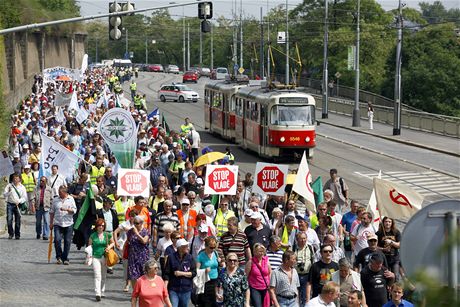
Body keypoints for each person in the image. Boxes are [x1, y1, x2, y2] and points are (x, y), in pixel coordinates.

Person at [88, 218, 115, 301]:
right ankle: (97, 293)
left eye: (102, 226)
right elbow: (89, 247)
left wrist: (109, 247)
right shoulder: (92, 236)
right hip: (95, 257)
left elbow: (113, 242)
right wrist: (89, 258)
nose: (101, 227)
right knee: (97, 275)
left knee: (103, 275)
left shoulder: (107, 235)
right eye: (99, 225)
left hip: (105, 257)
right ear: (96, 226)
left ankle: (102, 290)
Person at [164, 238, 196, 307]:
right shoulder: (171, 257)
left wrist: (181, 273)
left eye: (187, 246)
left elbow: (194, 273)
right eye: (185, 246)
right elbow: (166, 273)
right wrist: (165, 286)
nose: (187, 247)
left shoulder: (190, 258)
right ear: (180, 247)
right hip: (173, 289)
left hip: (186, 289)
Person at [50, 185, 77, 265]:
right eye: (58, 192)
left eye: (60, 193)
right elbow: (52, 212)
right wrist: (51, 223)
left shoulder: (71, 199)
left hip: (68, 223)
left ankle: (65, 258)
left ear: (65, 193)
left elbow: (75, 210)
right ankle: (59, 256)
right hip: (58, 223)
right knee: (57, 240)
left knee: (67, 241)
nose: (59, 194)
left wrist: (69, 210)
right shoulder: (55, 200)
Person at [113, 210, 137, 292]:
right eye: (132, 216)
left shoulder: (138, 224)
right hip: (124, 246)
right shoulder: (124, 224)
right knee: (126, 266)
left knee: (134, 266)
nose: (134, 218)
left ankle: (135, 285)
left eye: (135, 216)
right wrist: (116, 242)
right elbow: (115, 232)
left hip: (135, 247)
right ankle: (127, 284)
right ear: (130, 217)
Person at [196, 236, 221, 307]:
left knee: (215, 302)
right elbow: (197, 271)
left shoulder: (216, 253)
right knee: (206, 303)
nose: (213, 249)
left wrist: (219, 262)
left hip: (215, 281)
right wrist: (204, 270)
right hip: (205, 282)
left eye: (214, 247)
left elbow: (218, 265)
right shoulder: (200, 256)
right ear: (205, 246)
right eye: (211, 247)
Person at [245, 243, 272, 307]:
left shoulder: (266, 260)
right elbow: (246, 275)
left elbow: (270, 272)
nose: (261, 253)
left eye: (262, 251)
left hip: (265, 287)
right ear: (254, 251)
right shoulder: (250, 262)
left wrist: (270, 284)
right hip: (255, 288)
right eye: (259, 251)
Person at [127, 216, 150, 288]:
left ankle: (143, 292)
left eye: (137, 223)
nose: (135, 225)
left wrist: (137, 234)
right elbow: (128, 241)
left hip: (143, 256)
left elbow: (144, 241)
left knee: (143, 275)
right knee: (133, 275)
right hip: (132, 257)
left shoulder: (145, 231)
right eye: (134, 223)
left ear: (141, 223)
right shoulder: (130, 231)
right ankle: (135, 293)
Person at [3, 173, 27, 239]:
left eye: (17, 178)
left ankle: (17, 234)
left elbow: (24, 197)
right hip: (10, 204)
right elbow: (4, 195)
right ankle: (11, 233)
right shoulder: (9, 186)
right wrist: (9, 192)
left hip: (18, 205)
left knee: (18, 221)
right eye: (14, 178)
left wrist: (19, 201)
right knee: (9, 220)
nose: (15, 180)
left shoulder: (22, 187)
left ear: (19, 179)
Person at [294, 232, 315, 306]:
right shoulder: (293, 248)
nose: (303, 240)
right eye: (301, 238)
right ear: (297, 239)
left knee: (306, 296)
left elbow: (313, 260)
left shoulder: (310, 247)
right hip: (296, 275)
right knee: (296, 295)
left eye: (304, 238)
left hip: (307, 274)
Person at [34, 176, 53, 240]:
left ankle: (45, 235)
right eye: (41, 181)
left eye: (43, 181)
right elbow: (33, 197)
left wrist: (51, 205)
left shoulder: (49, 189)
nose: (41, 182)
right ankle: (38, 233)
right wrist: (33, 205)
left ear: (46, 182)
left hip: (46, 207)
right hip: (38, 207)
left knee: (46, 221)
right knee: (38, 222)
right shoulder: (36, 188)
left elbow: (52, 198)